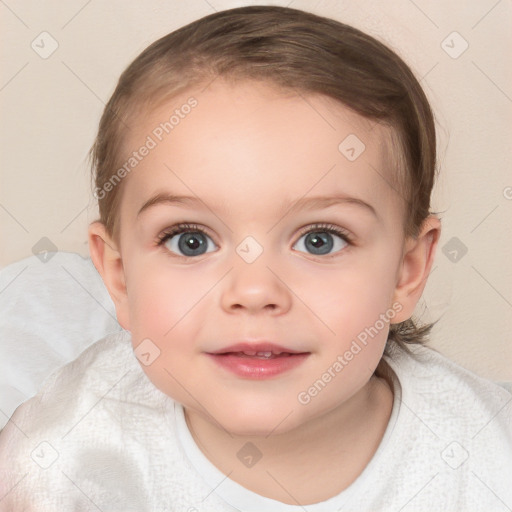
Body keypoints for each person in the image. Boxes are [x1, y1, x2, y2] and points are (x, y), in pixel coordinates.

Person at [0, 5, 510, 511]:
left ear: (407, 271)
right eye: (190, 240)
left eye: (320, 240)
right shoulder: (62, 455)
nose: (254, 292)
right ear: (119, 277)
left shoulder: (486, 459)